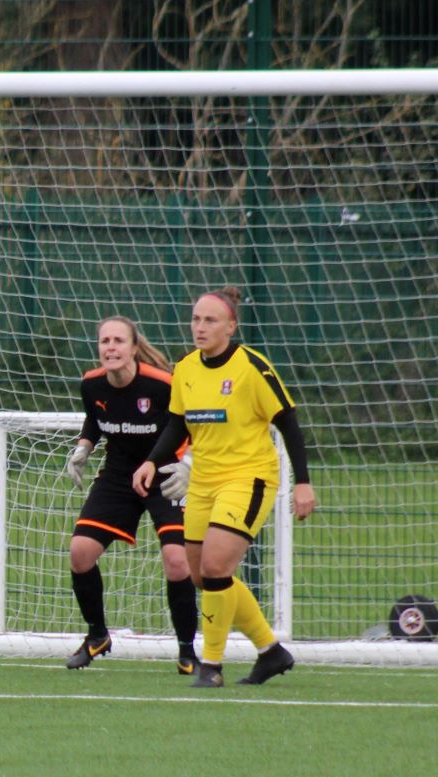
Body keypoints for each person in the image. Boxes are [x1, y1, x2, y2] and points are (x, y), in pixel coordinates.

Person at [132, 286, 316, 688]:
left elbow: (288, 422)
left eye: (210, 320)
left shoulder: (252, 367)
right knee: (201, 575)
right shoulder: (186, 369)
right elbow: (177, 423)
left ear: (231, 326)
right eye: (196, 319)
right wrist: (151, 461)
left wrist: (303, 483)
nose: (200, 327)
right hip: (203, 481)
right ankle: (271, 651)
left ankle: (211, 666)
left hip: (248, 478)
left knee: (217, 567)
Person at [64, 316, 199, 675]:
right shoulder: (91, 384)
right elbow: (95, 420)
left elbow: (190, 424)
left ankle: (188, 653)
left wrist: (186, 462)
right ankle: (97, 636)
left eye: (118, 341)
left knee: (177, 561)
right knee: (80, 553)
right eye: (104, 341)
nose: (110, 347)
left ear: (134, 348)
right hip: (120, 475)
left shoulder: (161, 385)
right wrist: (83, 447)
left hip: (166, 474)